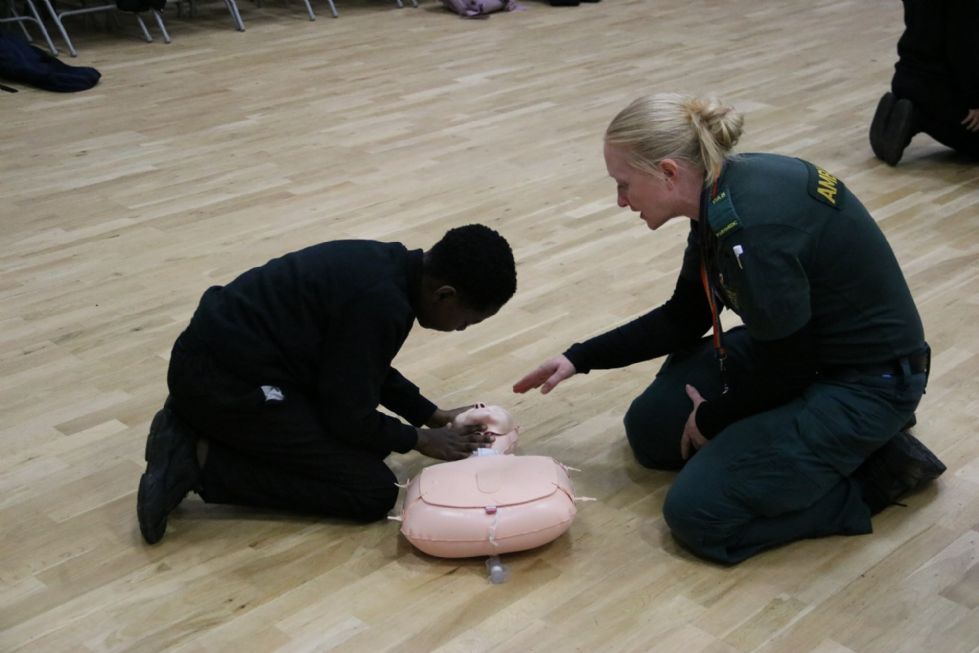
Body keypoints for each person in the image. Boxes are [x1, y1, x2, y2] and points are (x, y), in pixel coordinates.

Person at [514, 93, 946, 564]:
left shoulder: (753, 231)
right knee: (652, 432)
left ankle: (875, 474)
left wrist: (715, 416)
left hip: (865, 382)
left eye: (624, 184)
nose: (620, 201)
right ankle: (802, 449)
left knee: (699, 515)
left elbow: (789, 370)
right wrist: (579, 358)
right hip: (797, 350)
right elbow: (685, 317)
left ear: (668, 172)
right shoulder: (719, 188)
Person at [137, 224, 517, 545]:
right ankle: (197, 456)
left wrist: (431, 415)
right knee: (370, 491)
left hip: (230, 365)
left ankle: (202, 430)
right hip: (220, 385)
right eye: (469, 321)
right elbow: (348, 417)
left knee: (366, 451)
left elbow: (360, 364)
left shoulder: (388, 269)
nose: (462, 329)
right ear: (445, 295)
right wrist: (418, 439)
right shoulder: (382, 304)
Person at [869, 0, 979, 165]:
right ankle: (917, 117)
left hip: (907, 72)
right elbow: (962, 45)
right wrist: (974, 98)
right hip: (938, 88)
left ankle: (903, 109)